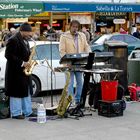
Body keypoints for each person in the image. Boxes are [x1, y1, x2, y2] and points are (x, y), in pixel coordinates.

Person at [5, 22, 36, 119]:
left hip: (23, 71)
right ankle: (16, 113)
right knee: (16, 93)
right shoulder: (13, 40)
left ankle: (28, 112)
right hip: (15, 72)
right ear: (23, 31)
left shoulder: (25, 40)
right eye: (29, 33)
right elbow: (8, 55)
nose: (30, 35)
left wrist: (29, 57)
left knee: (26, 91)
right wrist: (22, 63)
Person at [59, 20, 91, 105]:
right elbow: (62, 51)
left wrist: (90, 55)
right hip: (68, 63)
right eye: (73, 27)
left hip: (79, 63)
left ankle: (78, 100)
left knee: (80, 82)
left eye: (76, 27)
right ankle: (70, 102)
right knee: (70, 83)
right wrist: (66, 61)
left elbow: (86, 46)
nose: (75, 29)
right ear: (70, 27)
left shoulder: (82, 35)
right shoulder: (64, 36)